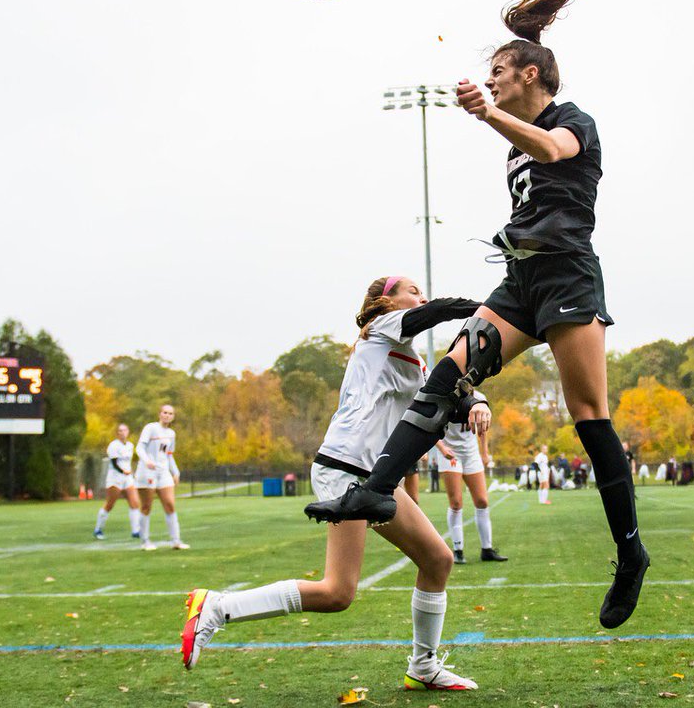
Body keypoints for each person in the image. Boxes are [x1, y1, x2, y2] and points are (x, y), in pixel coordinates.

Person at [304, 0, 647, 629]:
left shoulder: (572, 120)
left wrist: (487, 113)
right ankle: (377, 488)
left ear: (531, 74)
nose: (490, 79)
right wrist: (491, 116)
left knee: (587, 413)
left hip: (569, 276)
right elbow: (524, 149)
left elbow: (551, 148)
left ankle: (630, 554)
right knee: (448, 372)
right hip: (521, 280)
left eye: (499, 70)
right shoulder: (508, 131)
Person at [181, 276, 484, 689]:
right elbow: (437, 311)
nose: (421, 297)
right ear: (386, 301)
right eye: (412, 290)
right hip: (344, 467)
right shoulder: (382, 329)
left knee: (438, 561)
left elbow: (445, 393)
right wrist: (491, 310)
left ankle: (423, 666)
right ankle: (217, 606)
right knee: (337, 592)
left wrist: (474, 401)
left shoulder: (409, 354)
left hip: (375, 474)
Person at [431, 405, 508, 564]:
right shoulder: (445, 395)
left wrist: (485, 452)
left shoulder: (478, 399)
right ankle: (458, 550)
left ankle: (487, 549)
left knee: (482, 501)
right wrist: (442, 447)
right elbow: (430, 425)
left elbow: (483, 428)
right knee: (456, 503)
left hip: (471, 453)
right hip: (450, 454)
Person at [135, 405, 188, 551]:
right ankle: (145, 541)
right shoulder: (150, 428)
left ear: (173, 416)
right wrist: (147, 461)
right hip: (147, 472)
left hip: (163, 472)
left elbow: (169, 455)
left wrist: (175, 472)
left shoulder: (171, 433)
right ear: (159, 414)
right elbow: (139, 448)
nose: (167, 415)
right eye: (165, 412)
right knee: (146, 506)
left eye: (170, 413)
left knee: (170, 504)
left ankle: (176, 541)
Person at [93, 423, 141, 540]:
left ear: (128, 432)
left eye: (125, 430)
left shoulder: (130, 445)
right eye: (120, 431)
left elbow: (128, 462)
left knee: (134, 502)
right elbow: (114, 463)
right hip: (115, 478)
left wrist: (130, 472)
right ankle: (98, 529)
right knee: (110, 504)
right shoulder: (114, 446)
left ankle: (136, 531)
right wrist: (123, 471)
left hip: (127, 478)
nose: (123, 433)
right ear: (117, 433)